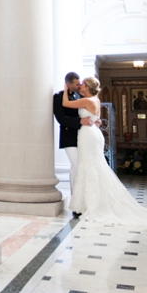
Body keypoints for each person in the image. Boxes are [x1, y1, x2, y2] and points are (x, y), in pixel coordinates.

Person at [63, 77, 147, 226]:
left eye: (83, 84)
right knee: (94, 166)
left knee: (89, 166)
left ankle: (92, 204)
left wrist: (66, 88)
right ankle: (91, 202)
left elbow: (66, 103)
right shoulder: (95, 100)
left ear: (88, 87)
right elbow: (96, 118)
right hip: (93, 133)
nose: (81, 86)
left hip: (88, 135)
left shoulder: (87, 101)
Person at [53, 72, 93, 218]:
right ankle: (76, 203)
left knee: (79, 167)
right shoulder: (58, 97)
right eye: (77, 84)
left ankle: (81, 200)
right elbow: (61, 118)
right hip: (69, 137)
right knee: (76, 166)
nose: (80, 85)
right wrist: (78, 122)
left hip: (82, 137)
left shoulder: (78, 97)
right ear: (68, 84)